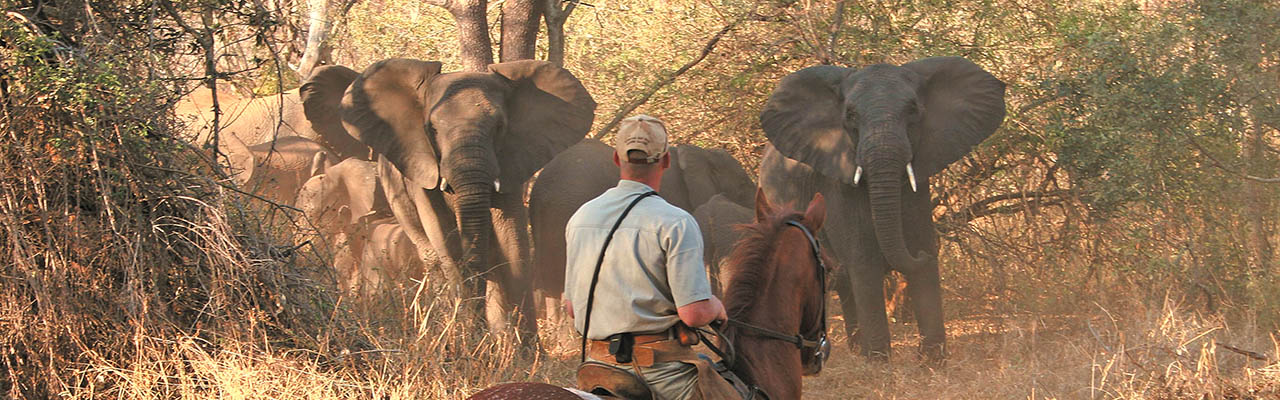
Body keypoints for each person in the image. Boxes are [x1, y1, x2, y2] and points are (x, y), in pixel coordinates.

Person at [564, 115, 730, 400]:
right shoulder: (676, 222)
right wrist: (716, 307)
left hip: (597, 368)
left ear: (616, 159)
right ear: (666, 161)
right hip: (659, 373)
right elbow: (693, 314)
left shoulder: (581, 217)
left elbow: (571, 308)